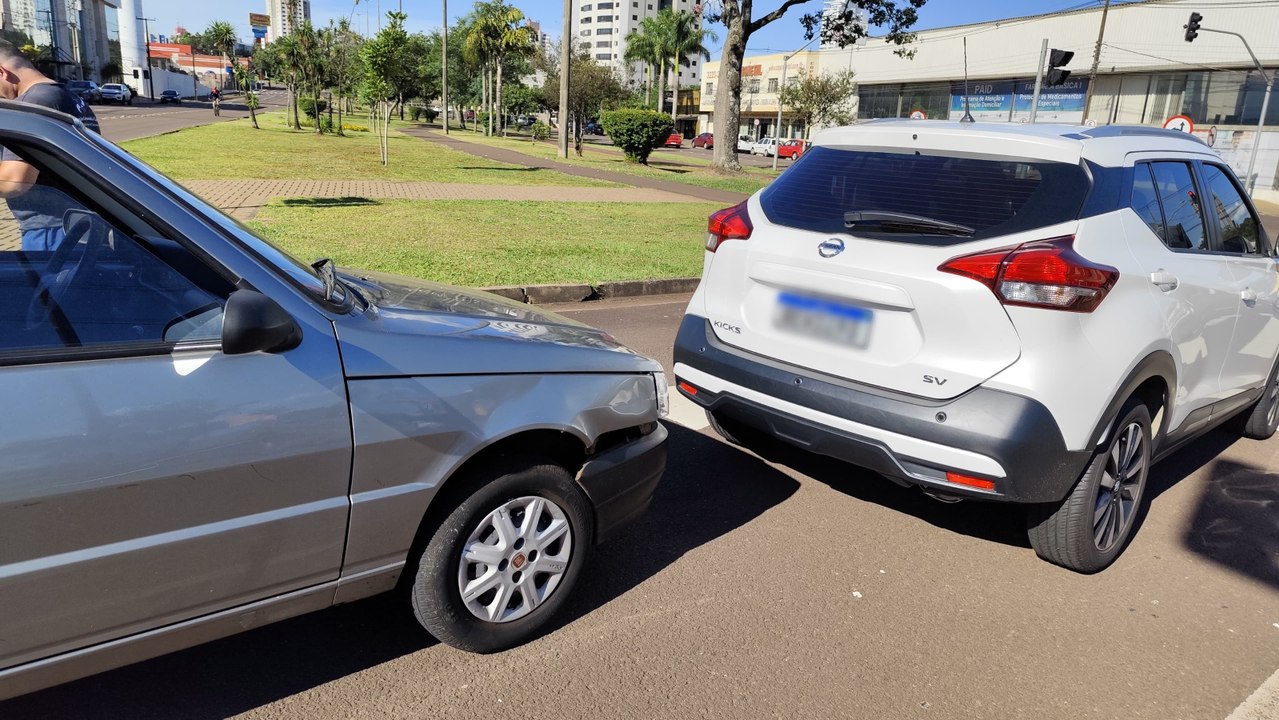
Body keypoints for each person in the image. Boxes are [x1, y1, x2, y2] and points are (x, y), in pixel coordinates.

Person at [0, 40, 99, 251]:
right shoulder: (69, 98)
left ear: (2, 72)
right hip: (75, 225)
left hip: (50, 231)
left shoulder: (33, 103)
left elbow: (15, 181)